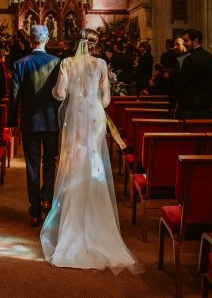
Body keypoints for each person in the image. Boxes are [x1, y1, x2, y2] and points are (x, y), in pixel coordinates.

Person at [40, 28, 143, 274]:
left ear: (78, 42)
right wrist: (92, 99)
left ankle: (70, 218)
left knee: (72, 162)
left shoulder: (67, 62)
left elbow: (59, 94)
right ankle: (97, 219)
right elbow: (106, 100)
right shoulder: (101, 64)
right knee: (93, 161)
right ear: (96, 44)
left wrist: (68, 96)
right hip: (94, 117)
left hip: (74, 116)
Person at [9, 25, 60, 227]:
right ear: (47, 40)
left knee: (32, 164)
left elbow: (14, 96)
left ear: (31, 41)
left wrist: (12, 121)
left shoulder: (20, 63)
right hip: (51, 120)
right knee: (50, 160)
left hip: (30, 121)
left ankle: (35, 211)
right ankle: (47, 199)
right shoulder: (57, 63)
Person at [170, 28, 212, 119]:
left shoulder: (189, 59)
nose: (184, 44)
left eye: (186, 41)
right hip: (206, 105)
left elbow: (181, 82)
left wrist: (172, 99)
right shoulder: (209, 57)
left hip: (190, 106)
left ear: (196, 40)